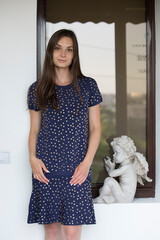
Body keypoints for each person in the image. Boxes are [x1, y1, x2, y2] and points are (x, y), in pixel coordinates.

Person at [27, 29, 103, 240]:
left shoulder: (88, 86)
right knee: (51, 229)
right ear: (50, 51)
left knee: (72, 232)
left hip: (77, 168)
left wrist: (87, 162)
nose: (63, 54)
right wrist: (32, 158)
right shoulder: (37, 89)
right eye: (58, 48)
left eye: (69, 49)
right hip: (46, 167)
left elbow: (96, 128)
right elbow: (34, 130)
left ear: (74, 54)